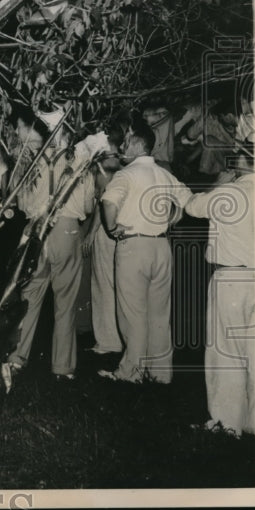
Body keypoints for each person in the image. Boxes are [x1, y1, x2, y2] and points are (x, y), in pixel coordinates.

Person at [99, 120, 192, 384]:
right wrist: (171, 219)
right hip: (161, 247)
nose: (123, 146)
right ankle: (161, 374)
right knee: (159, 314)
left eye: (127, 142)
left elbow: (108, 202)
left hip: (133, 246)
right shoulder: (164, 174)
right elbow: (185, 200)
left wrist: (113, 227)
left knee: (133, 314)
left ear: (139, 144)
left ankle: (131, 373)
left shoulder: (125, 175)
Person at [7, 129, 96, 380]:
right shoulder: (82, 162)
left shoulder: (32, 162)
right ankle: (63, 367)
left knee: (29, 295)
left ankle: (16, 358)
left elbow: (21, 204)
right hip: (67, 232)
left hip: (36, 229)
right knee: (66, 301)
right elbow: (88, 207)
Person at [184, 145, 255, 436]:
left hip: (231, 278)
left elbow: (192, 206)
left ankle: (227, 422)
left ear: (242, 161)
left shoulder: (231, 192)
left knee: (226, 353)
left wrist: (219, 184)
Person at [88, 119, 126, 356]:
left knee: (103, 285)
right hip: (122, 227)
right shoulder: (122, 165)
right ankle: (120, 338)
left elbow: (103, 203)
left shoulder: (104, 166)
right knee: (117, 285)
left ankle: (107, 341)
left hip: (105, 228)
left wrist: (90, 234)